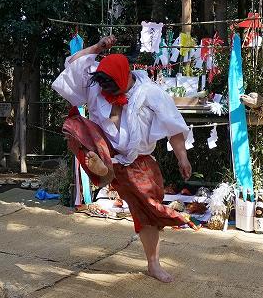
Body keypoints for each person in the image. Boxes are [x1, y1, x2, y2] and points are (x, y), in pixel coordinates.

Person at [52, 35, 196, 283]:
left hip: (137, 160)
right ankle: (98, 165)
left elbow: (174, 127)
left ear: (126, 78)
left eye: (112, 88)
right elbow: (74, 64)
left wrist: (182, 157)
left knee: (148, 212)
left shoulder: (151, 93)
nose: (106, 93)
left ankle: (153, 264)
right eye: (103, 88)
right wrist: (97, 47)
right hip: (103, 149)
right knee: (74, 124)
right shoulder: (98, 83)